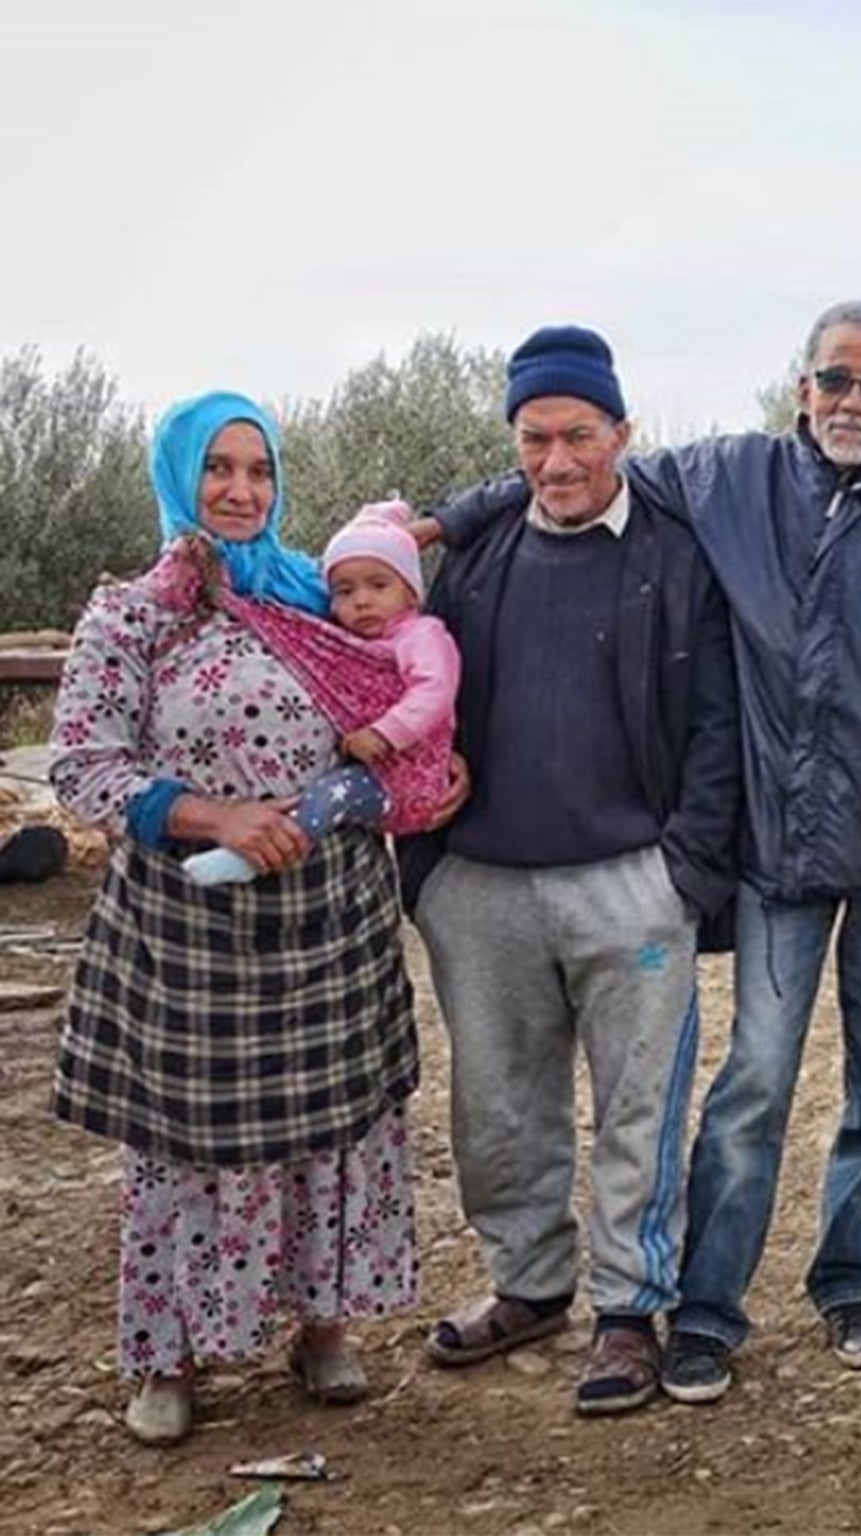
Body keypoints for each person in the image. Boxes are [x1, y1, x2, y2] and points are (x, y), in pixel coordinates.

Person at [423, 303, 861, 1405]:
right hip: (772, 855)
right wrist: (443, 520)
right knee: (751, 1085)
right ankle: (709, 1307)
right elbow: (567, 466)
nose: (852, 403)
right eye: (836, 381)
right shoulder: (728, 477)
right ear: (801, 388)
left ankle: (852, 1276)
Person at [49, 392, 423, 1446]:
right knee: (186, 1146)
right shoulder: (136, 612)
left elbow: (404, 699)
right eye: (218, 467)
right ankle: (165, 1357)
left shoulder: (321, 595)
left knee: (333, 1129)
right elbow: (82, 765)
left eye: (259, 469)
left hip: (327, 918)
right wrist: (209, 813)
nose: (241, 490)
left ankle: (321, 1327)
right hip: (187, 925)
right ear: (179, 475)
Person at [401, 326, 743, 1417]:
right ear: (514, 446)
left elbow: (715, 729)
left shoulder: (676, 556)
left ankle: (629, 1311)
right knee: (499, 1106)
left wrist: (681, 872)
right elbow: (415, 710)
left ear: (621, 436)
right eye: (534, 439)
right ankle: (529, 1284)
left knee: (639, 1107)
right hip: (483, 885)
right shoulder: (477, 553)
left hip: (629, 883)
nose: (557, 462)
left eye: (578, 436)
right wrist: (427, 873)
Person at [182, 499, 458, 886]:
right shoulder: (341, 639)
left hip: (405, 782)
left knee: (333, 793)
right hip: (374, 774)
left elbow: (435, 692)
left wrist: (384, 733)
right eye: (344, 591)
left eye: (379, 585)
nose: (361, 600)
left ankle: (253, 860)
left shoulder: (422, 635)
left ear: (411, 591)